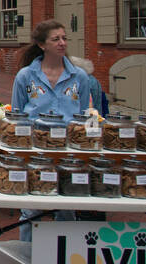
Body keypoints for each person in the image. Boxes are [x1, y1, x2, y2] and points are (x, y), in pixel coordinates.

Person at [12, 20, 93, 242]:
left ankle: (66, 257)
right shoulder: (26, 77)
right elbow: (16, 116)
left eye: (64, 38)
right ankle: (26, 255)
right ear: (42, 45)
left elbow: (84, 115)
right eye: (55, 39)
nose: (62, 43)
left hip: (68, 152)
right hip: (36, 151)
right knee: (32, 209)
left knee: (67, 208)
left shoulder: (80, 77)